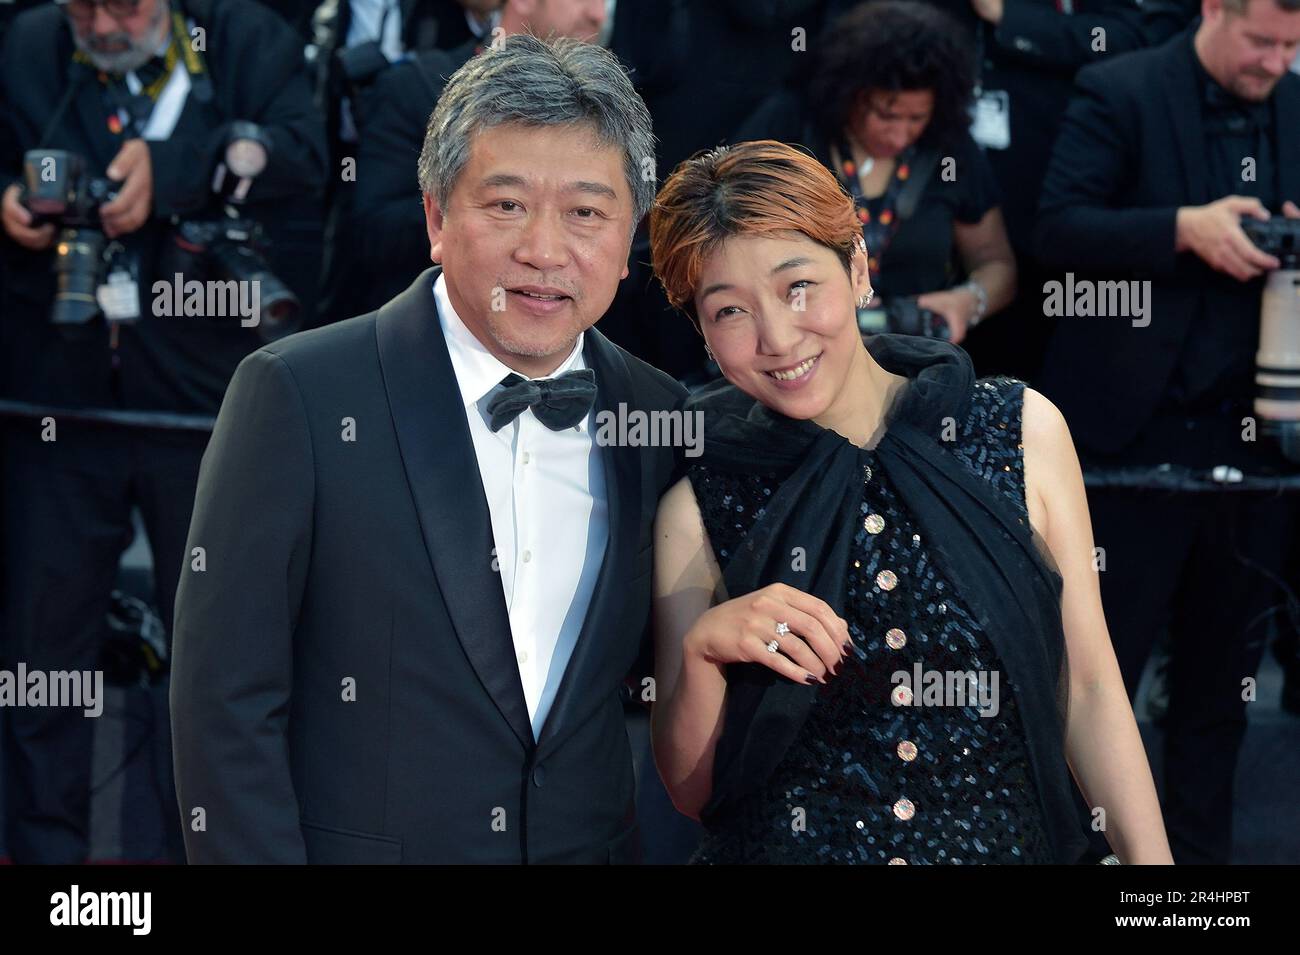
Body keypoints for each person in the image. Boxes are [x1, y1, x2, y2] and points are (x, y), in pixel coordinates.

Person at [170, 34, 686, 864]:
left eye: (586, 212)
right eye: (507, 204)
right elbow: (223, 704)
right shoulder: (298, 394)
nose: (545, 251)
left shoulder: (659, 416)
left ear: (631, 237)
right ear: (437, 218)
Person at [647, 140, 1172, 864]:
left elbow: (1087, 685)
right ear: (702, 331)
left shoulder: (1020, 430)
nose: (777, 336)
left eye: (798, 286)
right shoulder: (697, 506)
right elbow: (694, 793)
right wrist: (705, 652)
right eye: (730, 311)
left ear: (858, 266)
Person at [0, 0, 325, 864]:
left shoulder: (247, 37)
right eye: (85, 4)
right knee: (42, 668)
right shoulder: (29, 41)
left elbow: (307, 159)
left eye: (127, 4)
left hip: (206, 412)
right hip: (55, 410)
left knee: (217, 669)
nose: (104, 23)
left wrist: (181, 167)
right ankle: (47, 868)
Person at [1033, 0, 1300, 864]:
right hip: (1127, 443)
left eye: (1294, 44)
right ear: (1212, 8)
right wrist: (1184, 229)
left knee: (1221, 693)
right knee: (1091, 677)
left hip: (1257, 439)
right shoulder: (1121, 89)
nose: (1275, 60)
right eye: (1262, 39)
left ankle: (1196, 890)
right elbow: (1057, 231)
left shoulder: (1297, 103)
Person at [733, 1, 1016, 347]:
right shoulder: (791, 129)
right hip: (794, 346)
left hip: (915, 357)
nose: (899, 135)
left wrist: (965, 303)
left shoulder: (951, 149)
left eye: (916, 119)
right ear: (851, 94)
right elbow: (726, 236)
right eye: (886, 115)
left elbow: (996, 263)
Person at [339, 0, 607, 318]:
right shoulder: (416, 87)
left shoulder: (608, 112)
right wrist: (481, 213)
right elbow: (373, 232)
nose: (598, 15)